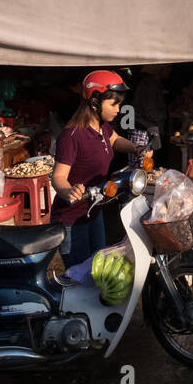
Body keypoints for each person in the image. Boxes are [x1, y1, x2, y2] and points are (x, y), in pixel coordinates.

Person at [50, 70, 146, 267]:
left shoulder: (103, 127)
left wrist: (136, 149)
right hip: (72, 220)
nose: (118, 109)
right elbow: (58, 176)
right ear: (94, 102)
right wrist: (69, 190)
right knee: (79, 275)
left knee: (97, 268)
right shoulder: (72, 136)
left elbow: (115, 140)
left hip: (94, 212)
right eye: (114, 104)